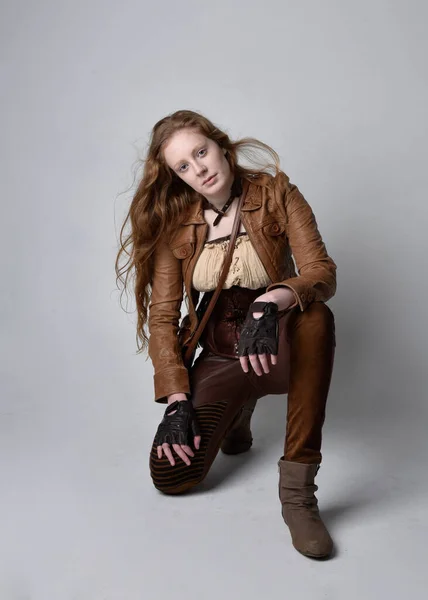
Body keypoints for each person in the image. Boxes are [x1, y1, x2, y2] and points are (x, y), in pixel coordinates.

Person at [115, 109, 337, 559]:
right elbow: (162, 320)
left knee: (316, 318)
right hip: (219, 354)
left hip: (277, 345)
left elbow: (321, 272)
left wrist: (269, 304)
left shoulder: (277, 193)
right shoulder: (175, 227)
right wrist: (177, 400)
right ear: (176, 176)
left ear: (221, 145)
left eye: (201, 152)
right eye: (184, 165)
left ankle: (297, 494)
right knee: (171, 476)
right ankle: (237, 410)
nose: (199, 168)